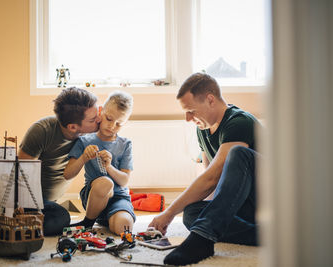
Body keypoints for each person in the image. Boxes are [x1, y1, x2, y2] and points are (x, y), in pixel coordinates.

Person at [148, 73, 261, 266]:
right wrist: (188, 210)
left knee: (238, 154)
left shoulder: (239, 122)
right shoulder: (202, 130)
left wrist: (168, 213)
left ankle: (203, 238)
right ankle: (263, 234)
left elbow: (213, 177)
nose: (187, 118)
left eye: (191, 110)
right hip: (241, 203)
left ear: (210, 100)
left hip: (268, 199)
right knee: (192, 213)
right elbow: (209, 183)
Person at [0, 87, 101, 241]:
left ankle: (15, 226)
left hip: (44, 204)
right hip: (20, 199)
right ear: (73, 127)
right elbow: (20, 174)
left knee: (61, 218)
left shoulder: (89, 136)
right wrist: (17, 207)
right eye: (93, 119)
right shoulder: (42, 131)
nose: (99, 120)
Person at [63, 91, 135, 235]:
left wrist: (109, 167)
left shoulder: (125, 144)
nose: (112, 126)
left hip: (118, 198)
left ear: (125, 123)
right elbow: (67, 174)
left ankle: (108, 217)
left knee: (123, 227)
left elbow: (124, 181)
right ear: (101, 112)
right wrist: (83, 157)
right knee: (105, 183)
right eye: (109, 119)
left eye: (119, 124)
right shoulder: (84, 140)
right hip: (94, 196)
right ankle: (88, 222)